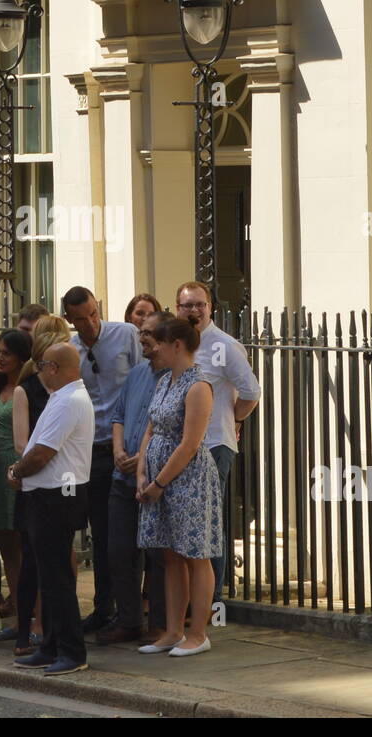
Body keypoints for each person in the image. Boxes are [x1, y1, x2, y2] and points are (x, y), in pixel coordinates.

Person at [8, 341, 94, 676]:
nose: (39, 371)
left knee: (57, 578)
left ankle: (71, 651)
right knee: (51, 575)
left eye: (42, 365)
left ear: (54, 368)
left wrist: (16, 471)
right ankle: (52, 646)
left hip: (57, 497)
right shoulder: (64, 397)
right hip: (49, 494)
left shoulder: (68, 400)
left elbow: (43, 452)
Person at [136, 317, 218, 658]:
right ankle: (172, 630)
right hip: (158, 478)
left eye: (161, 343)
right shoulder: (164, 382)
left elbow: (189, 443)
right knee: (169, 554)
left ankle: (197, 633)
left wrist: (159, 481)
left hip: (188, 479)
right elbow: (151, 428)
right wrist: (141, 470)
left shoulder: (198, 386)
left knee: (194, 553)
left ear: (177, 345)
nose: (155, 349)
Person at [62, 285, 141, 634]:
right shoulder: (72, 351)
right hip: (91, 451)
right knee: (101, 535)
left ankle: (130, 613)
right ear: (70, 320)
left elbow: (146, 382)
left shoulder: (125, 335)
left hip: (126, 448)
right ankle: (103, 608)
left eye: (94, 314)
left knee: (124, 538)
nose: (91, 323)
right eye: (81, 319)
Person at [176, 281, 260, 601]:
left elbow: (251, 392)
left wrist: (234, 419)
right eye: (187, 305)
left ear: (211, 308)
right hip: (178, 448)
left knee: (209, 524)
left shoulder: (224, 345)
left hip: (212, 446)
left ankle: (213, 601)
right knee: (185, 525)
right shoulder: (176, 344)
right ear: (177, 308)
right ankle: (188, 600)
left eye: (200, 304)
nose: (194, 310)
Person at [101, 310, 170, 645]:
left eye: (149, 333)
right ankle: (129, 619)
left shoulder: (178, 379)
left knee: (158, 556)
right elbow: (118, 415)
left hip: (156, 480)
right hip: (122, 476)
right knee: (119, 551)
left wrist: (142, 458)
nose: (142, 338)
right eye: (141, 332)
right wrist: (117, 450)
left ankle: (160, 623)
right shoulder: (137, 374)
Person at [8, 315, 70, 654]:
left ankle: (56, 625)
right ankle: (27, 627)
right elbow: (22, 444)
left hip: (65, 485)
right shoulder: (26, 389)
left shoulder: (71, 390)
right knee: (31, 559)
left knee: (61, 558)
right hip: (35, 483)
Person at [0, 330, 32, 621]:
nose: (1, 357)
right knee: (3, 541)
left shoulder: (28, 387)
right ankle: (15, 602)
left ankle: (28, 606)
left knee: (21, 540)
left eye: (7, 352)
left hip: (16, 466)